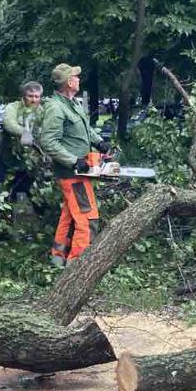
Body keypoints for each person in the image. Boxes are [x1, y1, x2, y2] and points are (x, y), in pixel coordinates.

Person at [36, 63, 110, 267]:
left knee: (69, 215)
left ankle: (57, 257)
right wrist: (73, 161)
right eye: (76, 77)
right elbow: (48, 141)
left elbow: (85, 130)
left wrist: (99, 142)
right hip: (72, 172)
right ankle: (78, 266)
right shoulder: (56, 107)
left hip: (81, 170)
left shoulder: (73, 104)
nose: (79, 79)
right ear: (69, 82)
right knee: (87, 218)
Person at [0, 81, 45, 207]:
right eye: (30, 96)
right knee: (3, 199)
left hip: (31, 166)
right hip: (8, 164)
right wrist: (27, 134)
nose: (34, 100)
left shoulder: (42, 112)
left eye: (37, 96)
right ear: (23, 96)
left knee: (39, 199)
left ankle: (41, 223)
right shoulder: (13, 107)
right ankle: (3, 225)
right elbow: (9, 124)